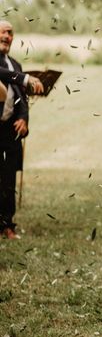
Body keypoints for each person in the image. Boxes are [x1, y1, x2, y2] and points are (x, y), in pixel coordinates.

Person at [0, 20, 43, 240]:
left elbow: (21, 97)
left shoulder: (15, 64)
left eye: (10, 33)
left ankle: (8, 225)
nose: (7, 36)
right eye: (3, 32)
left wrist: (24, 118)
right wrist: (25, 78)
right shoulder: (12, 70)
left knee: (8, 179)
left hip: (10, 129)